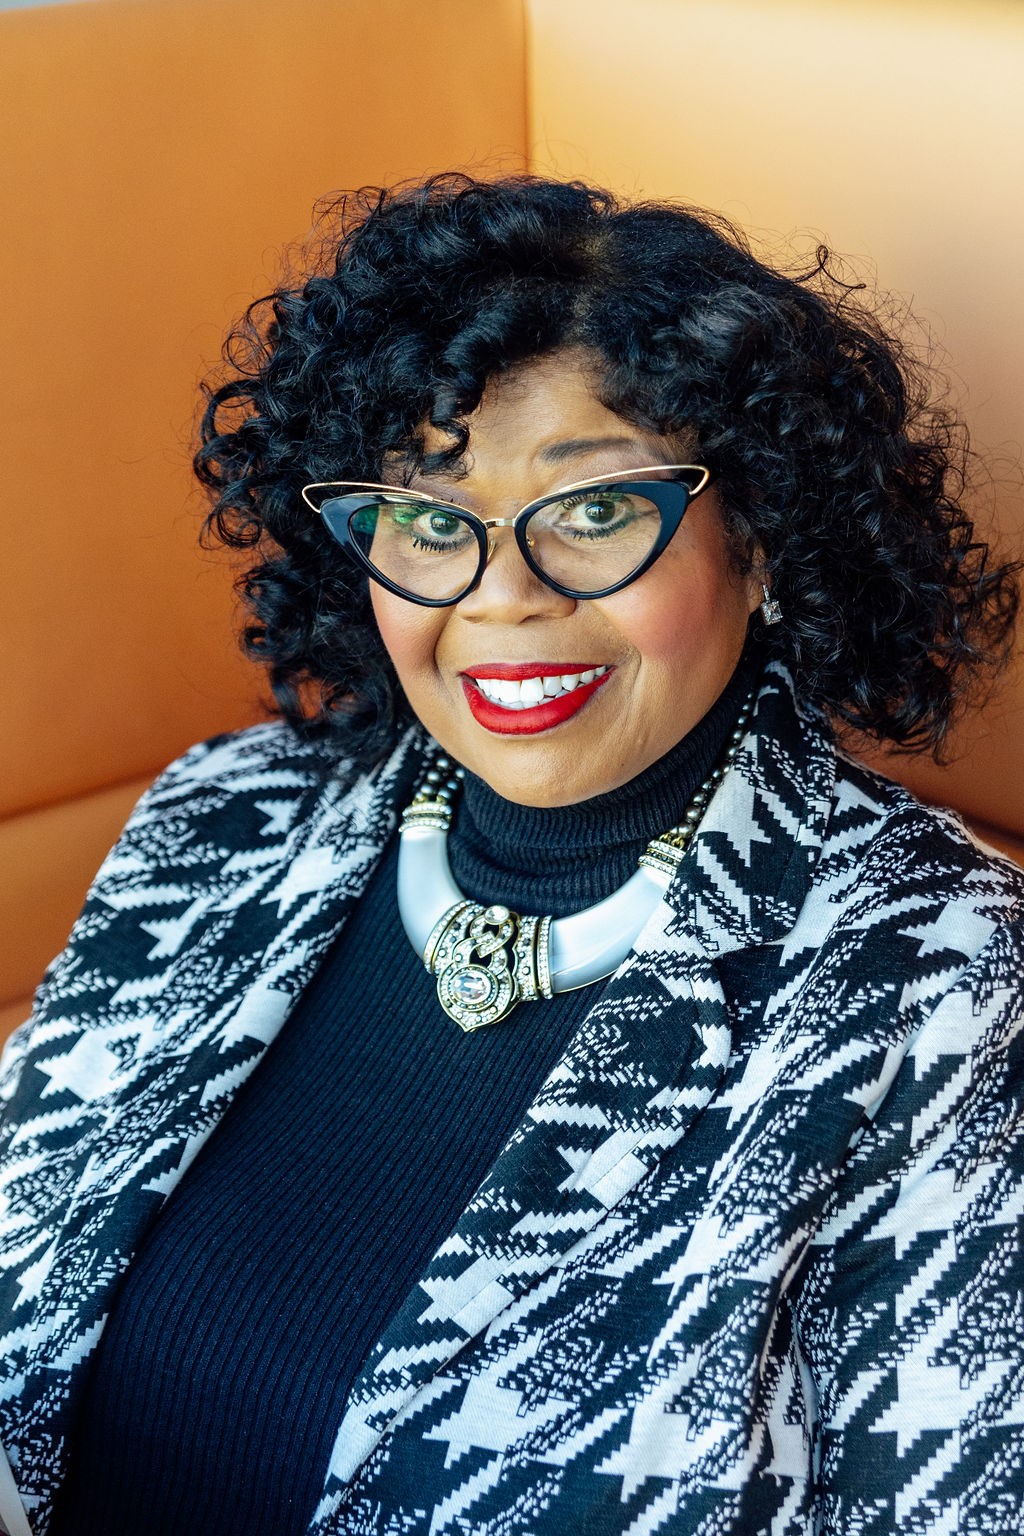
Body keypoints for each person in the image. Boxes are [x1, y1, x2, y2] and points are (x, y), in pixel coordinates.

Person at [0, 174, 1022, 1536]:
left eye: (594, 511)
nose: (498, 594)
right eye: (429, 516)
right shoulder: (225, 818)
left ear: (758, 538)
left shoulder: (947, 988)